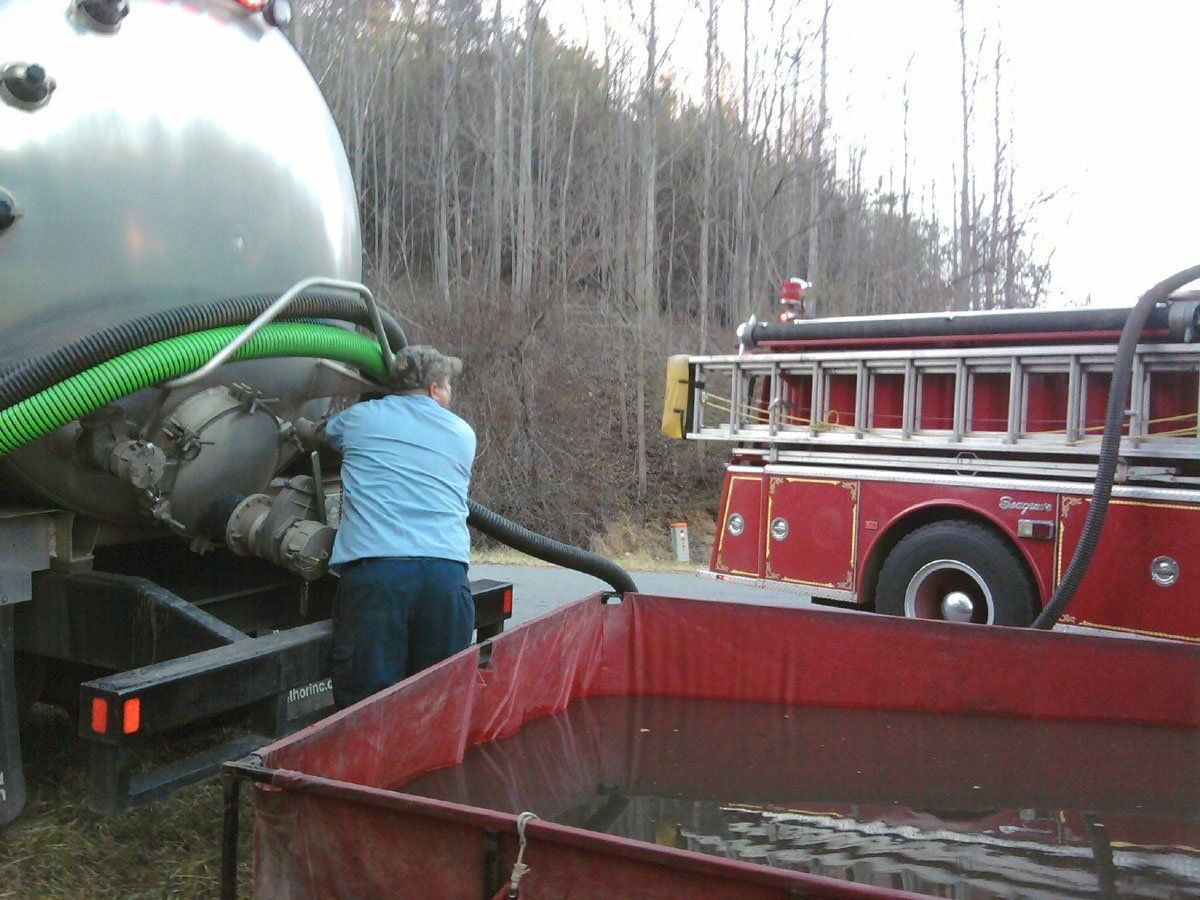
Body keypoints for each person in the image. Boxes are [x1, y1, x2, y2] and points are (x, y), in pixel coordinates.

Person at [321, 345, 476, 708]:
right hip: (445, 577)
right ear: (436, 390)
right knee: (438, 702)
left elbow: (323, 434)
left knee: (368, 706)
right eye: (448, 385)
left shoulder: (359, 420)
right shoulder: (462, 433)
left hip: (379, 577)